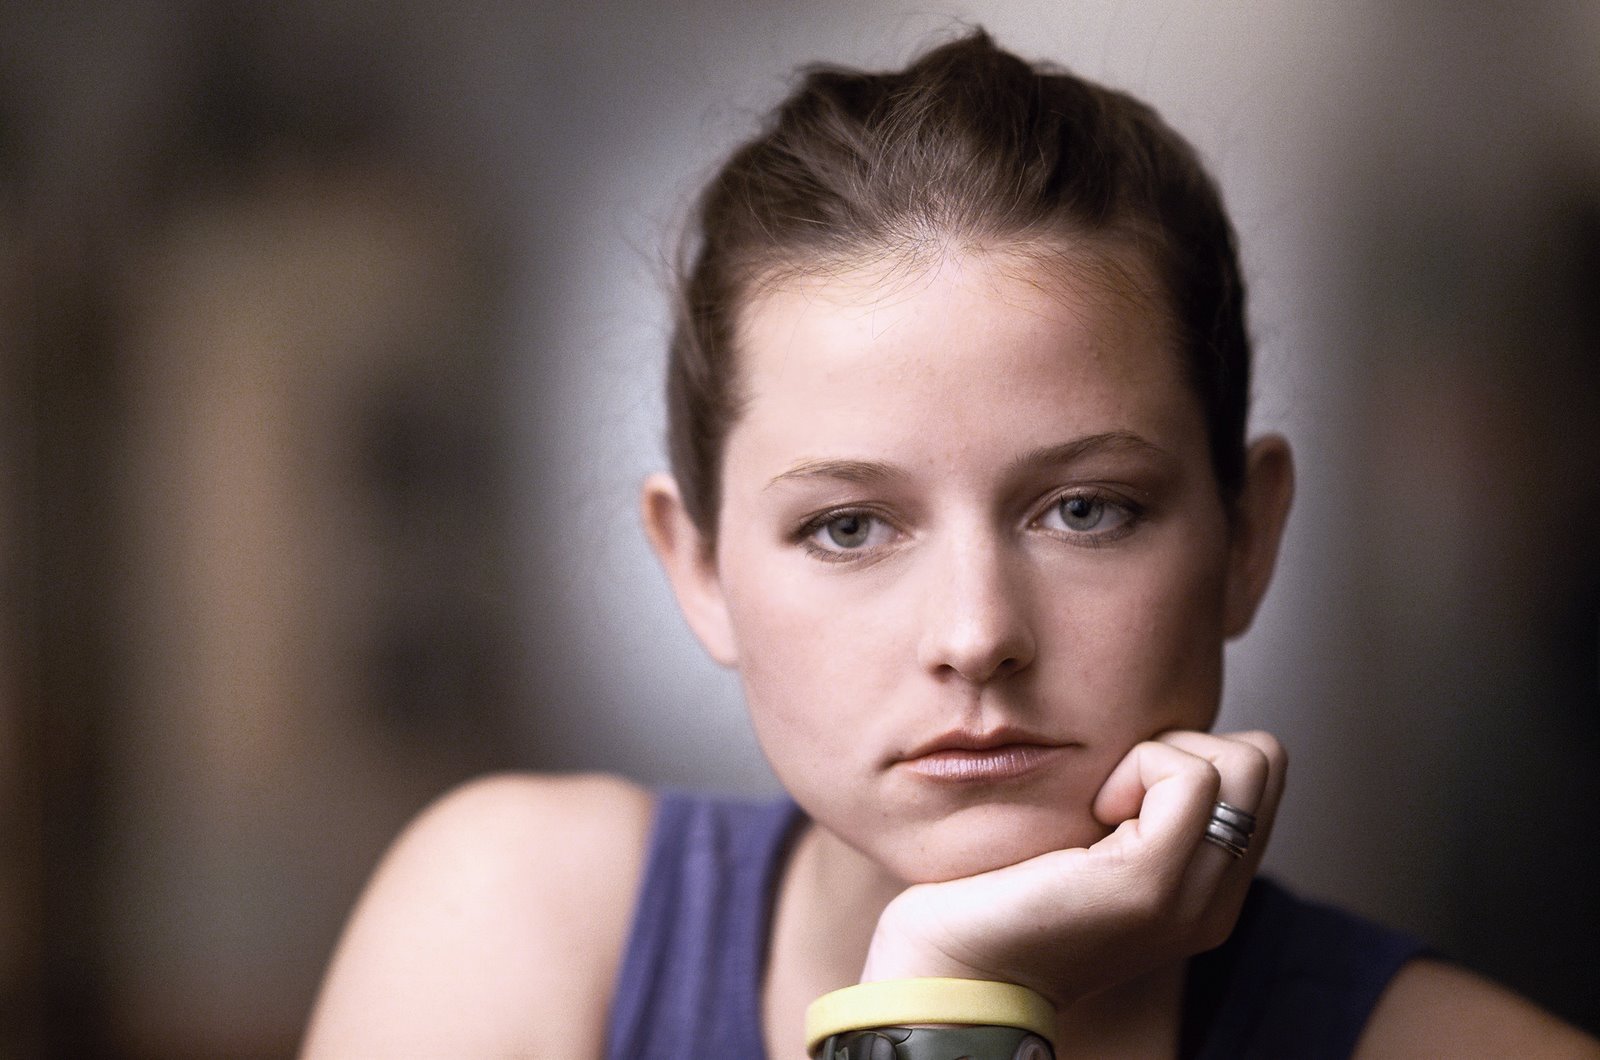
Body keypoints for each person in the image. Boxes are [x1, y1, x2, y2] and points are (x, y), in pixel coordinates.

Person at [302, 31, 1599, 1059]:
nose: (977, 635)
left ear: (1247, 535)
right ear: (697, 567)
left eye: (1085, 510)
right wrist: (944, 1001)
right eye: (848, 527)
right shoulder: (514, 927)